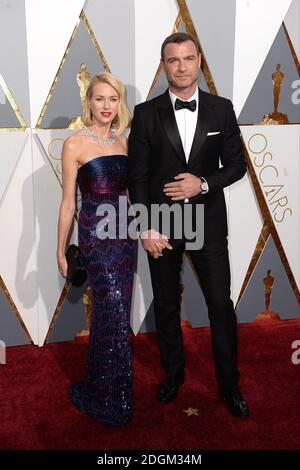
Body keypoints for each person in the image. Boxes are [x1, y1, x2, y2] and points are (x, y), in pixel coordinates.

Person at [128, 33, 249, 418]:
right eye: (173, 60)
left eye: (188, 58)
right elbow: (138, 177)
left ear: (199, 61)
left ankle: (229, 385)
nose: (181, 66)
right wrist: (146, 226)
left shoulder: (221, 109)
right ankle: (173, 376)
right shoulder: (146, 113)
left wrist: (205, 183)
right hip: (161, 222)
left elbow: (236, 164)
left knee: (220, 306)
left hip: (208, 222)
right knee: (165, 305)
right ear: (164, 65)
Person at [57, 71, 137, 427]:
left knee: (114, 314)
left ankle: (102, 384)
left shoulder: (124, 142)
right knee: (115, 314)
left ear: (120, 103)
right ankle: (109, 395)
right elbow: (67, 203)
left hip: (125, 236)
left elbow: (132, 195)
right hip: (94, 236)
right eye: (100, 99)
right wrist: (61, 251)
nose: (106, 106)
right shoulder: (75, 144)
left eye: (113, 99)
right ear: (88, 101)